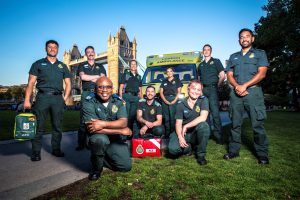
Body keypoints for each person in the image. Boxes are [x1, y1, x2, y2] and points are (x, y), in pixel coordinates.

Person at [224, 28, 270, 164]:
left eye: (247, 36)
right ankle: (233, 151)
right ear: (239, 40)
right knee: (235, 124)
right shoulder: (233, 56)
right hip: (236, 93)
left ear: (252, 39)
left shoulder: (260, 54)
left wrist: (245, 86)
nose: (244, 39)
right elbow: (229, 75)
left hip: (254, 93)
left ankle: (262, 154)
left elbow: (262, 73)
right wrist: (237, 86)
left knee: (257, 125)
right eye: (242, 37)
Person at [24, 40, 71, 161]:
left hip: (57, 98)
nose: (52, 49)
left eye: (55, 47)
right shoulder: (38, 64)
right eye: (50, 47)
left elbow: (68, 84)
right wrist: (27, 100)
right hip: (42, 97)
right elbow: (30, 83)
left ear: (58, 49)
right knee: (38, 126)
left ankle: (56, 149)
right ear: (46, 49)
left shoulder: (63, 66)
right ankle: (36, 152)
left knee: (57, 126)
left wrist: (64, 98)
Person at [83, 77, 132, 180]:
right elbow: (91, 128)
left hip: (114, 138)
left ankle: (101, 156)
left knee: (125, 167)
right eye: (100, 87)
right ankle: (97, 168)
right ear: (95, 89)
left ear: (112, 89)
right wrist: (120, 130)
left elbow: (123, 122)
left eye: (108, 87)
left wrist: (102, 124)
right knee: (100, 140)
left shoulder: (118, 101)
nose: (104, 90)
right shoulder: (88, 101)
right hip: (97, 136)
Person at [168, 80, 210, 165]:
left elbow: (203, 117)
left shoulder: (203, 100)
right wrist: (180, 137)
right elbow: (178, 123)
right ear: (188, 88)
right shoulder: (181, 103)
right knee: (173, 150)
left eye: (198, 90)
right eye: (194, 88)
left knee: (204, 126)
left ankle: (201, 155)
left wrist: (186, 126)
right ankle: (189, 148)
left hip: (195, 132)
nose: (196, 91)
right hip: (183, 133)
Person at [76, 46, 106, 151]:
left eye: (92, 52)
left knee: (99, 116)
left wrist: (93, 78)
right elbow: (83, 77)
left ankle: (95, 142)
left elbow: (103, 78)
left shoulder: (100, 65)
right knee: (83, 118)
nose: (90, 53)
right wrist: (96, 77)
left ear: (94, 53)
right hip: (86, 93)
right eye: (88, 52)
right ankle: (81, 143)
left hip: (99, 93)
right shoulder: (81, 65)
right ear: (86, 55)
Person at [198, 44, 225, 144]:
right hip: (204, 90)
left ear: (211, 51)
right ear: (202, 51)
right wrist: (200, 90)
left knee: (215, 113)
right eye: (204, 50)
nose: (206, 51)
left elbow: (222, 76)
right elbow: (199, 79)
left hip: (213, 88)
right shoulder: (200, 65)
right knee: (205, 113)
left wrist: (217, 85)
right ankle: (208, 134)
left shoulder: (216, 61)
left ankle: (218, 137)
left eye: (208, 50)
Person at [119, 60, 142, 137]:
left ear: (136, 66)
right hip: (127, 96)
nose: (133, 66)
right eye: (132, 64)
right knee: (126, 116)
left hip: (135, 98)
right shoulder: (126, 74)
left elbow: (140, 90)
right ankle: (125, 134)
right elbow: (121, 87)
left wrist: (141, 99)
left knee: (133, 116)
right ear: (130, 66)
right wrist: (121, 98)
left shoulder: (139, 76)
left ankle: (131, 134)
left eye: (134, 64)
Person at [159, 67, 182, 138]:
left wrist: (174, 100)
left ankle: (173, 134)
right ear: (166, 73)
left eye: (170, 71)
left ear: (173, 72)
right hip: (165, 100)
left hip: (174, 99)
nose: (169, 73)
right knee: (166, 118)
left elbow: (179, 92)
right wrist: (165, 100)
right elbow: (161, 92)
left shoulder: (177, 80)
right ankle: (167, 134)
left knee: (173, 118)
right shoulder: (164, 81)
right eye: (167, 71)